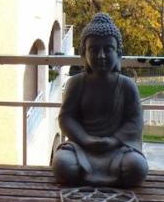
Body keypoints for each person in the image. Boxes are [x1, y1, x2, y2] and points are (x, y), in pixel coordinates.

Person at [51, 13, 149, 188]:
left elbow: (134, 122)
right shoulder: (76, 83)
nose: (101, 55)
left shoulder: (127, 86)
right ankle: (88, 171)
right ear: (84, 53)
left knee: (136, 167)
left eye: (108, 49)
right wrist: (85, 139)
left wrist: (113, 140)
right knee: (62, 164)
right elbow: (66, 118)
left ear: (118, 52)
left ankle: (94, 174)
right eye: (94, 49)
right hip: (82, 148)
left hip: (117, 149)